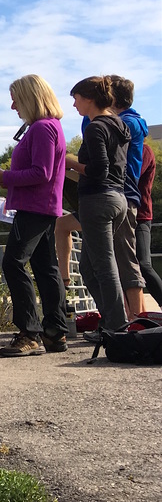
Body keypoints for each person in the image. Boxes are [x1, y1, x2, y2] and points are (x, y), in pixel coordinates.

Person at [0, 75, 68, 356]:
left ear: (31, 99)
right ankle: (55, 332)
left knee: (13, 263)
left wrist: (3, 176)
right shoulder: (49, 126)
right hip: (44, 207)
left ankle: (29, 333)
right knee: (46, 267)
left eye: (16, 100)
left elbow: (41, 172)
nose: (13, 106)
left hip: (34, 207)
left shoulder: (42, 128)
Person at [65, 77, 131, 336]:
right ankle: (112, 320)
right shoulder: (119, 124)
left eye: (76, 98)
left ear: (89, 99)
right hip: (118, 199)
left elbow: (98, 170)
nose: (74, 104)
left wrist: (71, 163)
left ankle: (117, 326)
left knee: (103, 266)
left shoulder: (95, 128)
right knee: (89, 267)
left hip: (98, 200)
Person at [110, 75, 147, 316]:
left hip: (122, 195)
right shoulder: (128, 122)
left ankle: (137, 320)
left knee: (125, 258)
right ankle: (132, 318)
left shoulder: (127, 124)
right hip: (119, 195)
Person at [136, 143, 162, 306]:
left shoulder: (143, 150)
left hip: (141, 216)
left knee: (143, 264)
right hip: (125, 214)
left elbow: (133, 176)